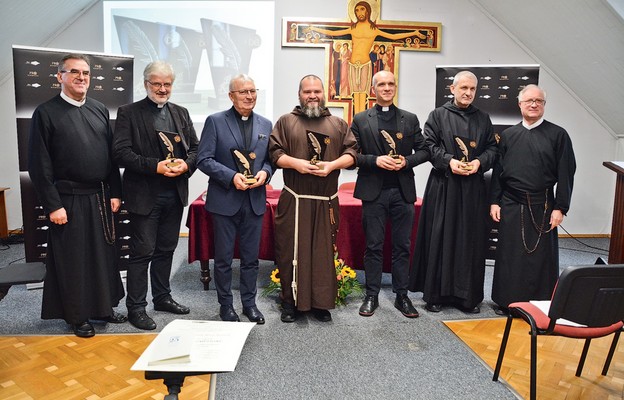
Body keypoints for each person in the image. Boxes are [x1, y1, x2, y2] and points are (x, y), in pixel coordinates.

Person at [28, 53, 126, 338]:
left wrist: (115, 192)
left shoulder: (98, 109)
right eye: (74, 72)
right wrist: (53, 205)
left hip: (99, 197)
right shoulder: (45, 113)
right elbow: (39, 164)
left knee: (102, 257)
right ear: (60, 76)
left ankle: (103, 307)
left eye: (86, 73)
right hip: (67, 199)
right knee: (74, 259)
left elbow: (110, 157)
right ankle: (77, 315)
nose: (82, 77)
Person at [113, 61, 198, 330]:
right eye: (156, 84)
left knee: (166, 250)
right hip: (144, 195)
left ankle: (162, 297)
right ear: (145, 83)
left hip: (174, 194)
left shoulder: (181, 113)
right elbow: (120, 153)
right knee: (142, 252)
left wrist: (186, 165)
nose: (162, 89)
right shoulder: (128, 113)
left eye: (167, 84)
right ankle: (136, 307)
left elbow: (196, 148)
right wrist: (155, 166)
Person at [269, 74, 358, 323]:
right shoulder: (286, 122)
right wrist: (296, 164)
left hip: (326, 200)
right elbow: (275, 153)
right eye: (307, 91)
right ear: (299, 94)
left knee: (322, 253)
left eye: (317, 91)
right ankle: (290, 300)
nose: (312, 96)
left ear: (323, 93)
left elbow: (352, 153)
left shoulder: (338, 124)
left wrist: (331, 166)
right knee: (289, 251)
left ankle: (320, 303)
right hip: (295, 199)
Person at [409, 70, 498, 314]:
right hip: (444, 186)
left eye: (472, 89)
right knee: (440, 238)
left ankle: (467, 298)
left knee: (469, 241)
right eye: (463, 88)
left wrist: (479, 162)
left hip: (472, 190)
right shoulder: (438, 115)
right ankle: (436, 295)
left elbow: (492, 148)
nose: (468, 93)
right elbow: (429, 145)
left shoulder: (483, 118)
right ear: (453, 89)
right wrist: (450, 161)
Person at [490, 84, 576, 315]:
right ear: (520, 104)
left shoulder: (558, 135)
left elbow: (567, 174)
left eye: (539, 101)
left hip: (543, 205)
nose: (534, 104)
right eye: (529, 101)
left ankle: (539, 304)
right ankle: (506, 301)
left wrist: (561, 208)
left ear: (544, 105)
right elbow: (498, 172)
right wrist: (495, 202)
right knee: (510, 255)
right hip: (510, 203)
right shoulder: (508, 135)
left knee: (539, 258)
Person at [351, 71, 429, 318]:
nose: (386, 88)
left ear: (395, 87)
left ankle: (402, 296)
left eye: (390, 84)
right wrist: (375, 160)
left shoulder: (410, 118)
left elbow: (426, 151)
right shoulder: (361, 119)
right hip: (373, 192)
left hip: (402, 192)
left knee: (402, 246)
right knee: (373, 246)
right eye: (381, 84)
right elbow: (351, 156)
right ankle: (371, 295)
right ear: (373, 89)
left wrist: (406, 161)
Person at [197, 74, 273, 324]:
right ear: (231, 95)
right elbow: (204, 160)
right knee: (224, 259)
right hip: (225, 200)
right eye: (243, 92)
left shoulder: (265, 124)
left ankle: (250, 304)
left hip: (254, 200)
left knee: (251, 258)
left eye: (253, 91)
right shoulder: (215, 121)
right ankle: (225, 305)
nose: (249, 96)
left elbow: (270, 160)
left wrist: (265, 172)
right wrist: (232, 177)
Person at [310, 0, 425, 113]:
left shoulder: (374, 30)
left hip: (365, 63)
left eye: (362, 9)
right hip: (352, 64)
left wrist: (413, 33)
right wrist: (315, 28)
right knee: (355, 94)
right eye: (357, 10)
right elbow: (332, 33)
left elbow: (393, 36)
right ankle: (357, 120)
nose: (359, 12)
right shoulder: (353, 28)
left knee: (363, 94)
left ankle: (361, 120)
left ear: (368, 11)